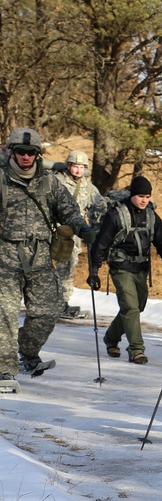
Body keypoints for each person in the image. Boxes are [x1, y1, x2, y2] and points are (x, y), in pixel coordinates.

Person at [0, 128, 96, 381]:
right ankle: (5, 369)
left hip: (40, 256)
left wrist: (81, 226)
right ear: (12, 152)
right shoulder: (1, 179)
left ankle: (27, 351)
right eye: (20, 152)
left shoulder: (49, 181)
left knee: (48, 311)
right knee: (5, 315)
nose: (25, 157)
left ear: (37, 155)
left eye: (31, 153)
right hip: (4, 257)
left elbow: (68, 210)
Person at [87, 175, 162, 364]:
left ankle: (111, 338)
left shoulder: (151, 215)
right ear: (132, 195)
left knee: (138, 306)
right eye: (140, 196)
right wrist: (94, 271)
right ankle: (136, 350)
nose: (144, 200)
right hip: (120, 267)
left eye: (147, 196)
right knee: (130, 306)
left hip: (140, 267)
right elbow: (101, 244)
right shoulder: (117, 215)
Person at [53, 150, 107, 318]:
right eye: (75, 166)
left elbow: (99, 207)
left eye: (81, 167)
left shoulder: (87, 186)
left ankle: (62, 302)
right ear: (68, 166)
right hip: (52, 230)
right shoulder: (56, 181)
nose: (78, 170)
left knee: (67, 268)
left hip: (73, 235)